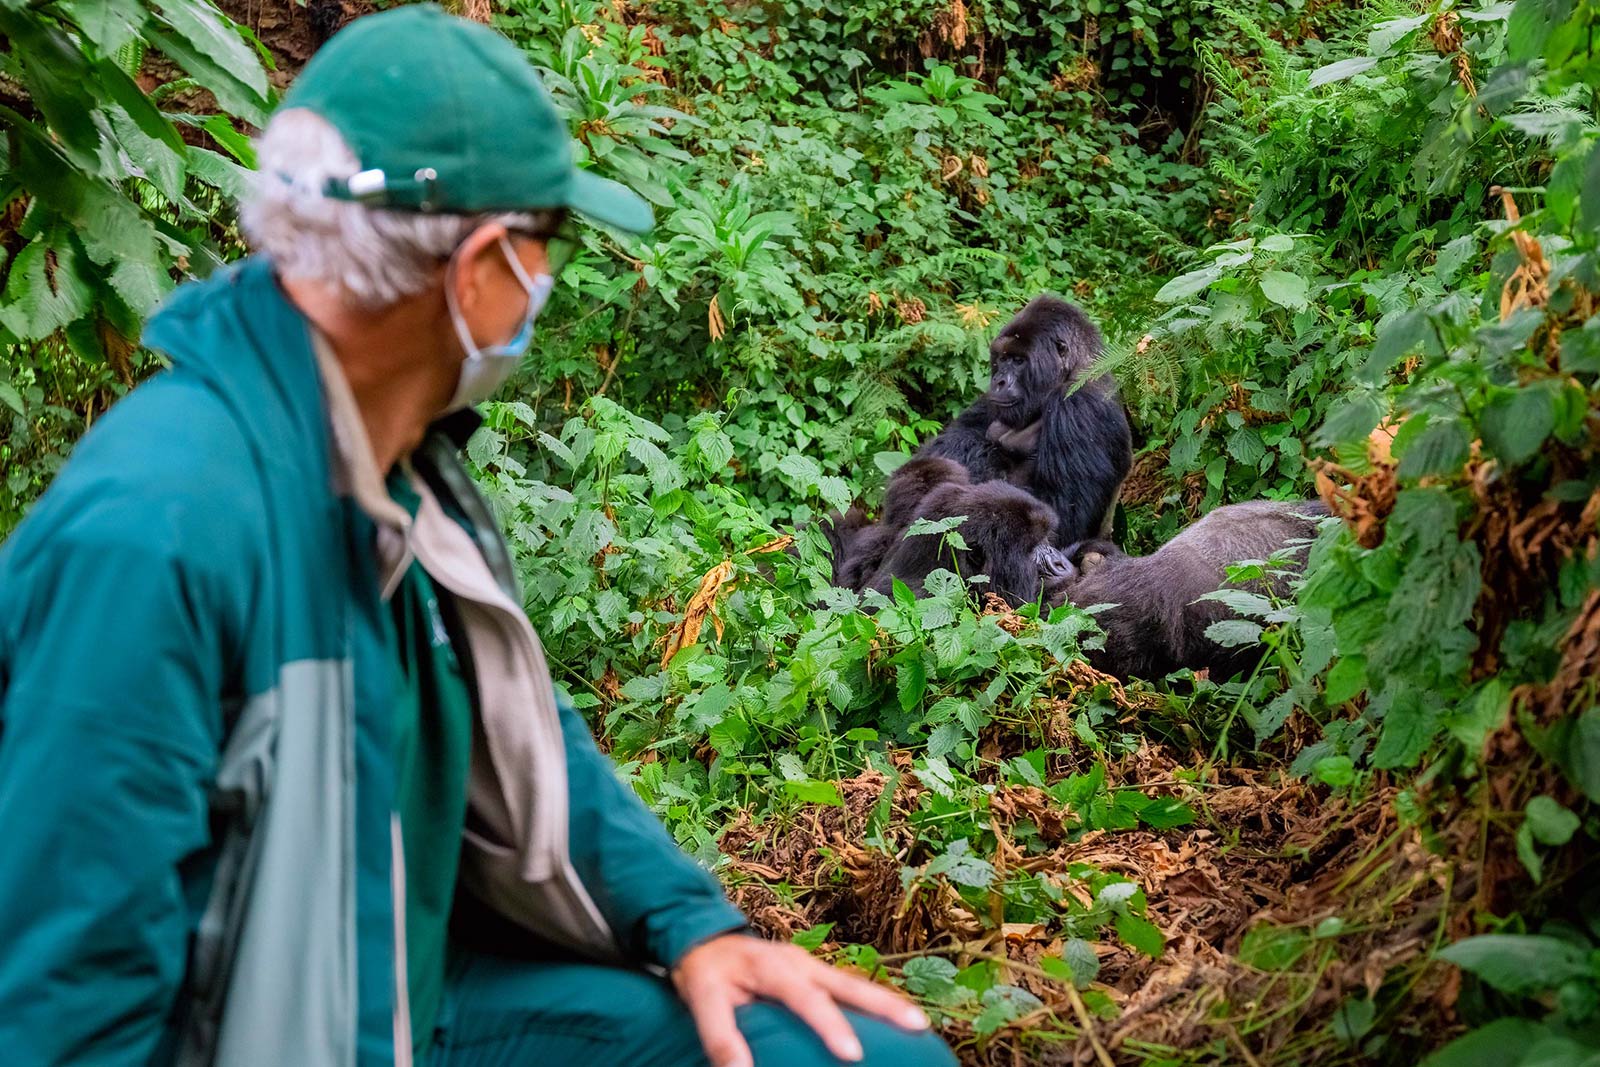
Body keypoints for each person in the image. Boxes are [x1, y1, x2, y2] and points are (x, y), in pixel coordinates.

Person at [0, 8, 956, 1067]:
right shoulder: (154, 529)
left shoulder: (395, 457)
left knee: (861, 1057)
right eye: (552, 245)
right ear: (483, 266)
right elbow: (65, 1004)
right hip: (270, 1023)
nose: (548, 282)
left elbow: (523, 731)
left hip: (406, 976)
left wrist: (692, 923)